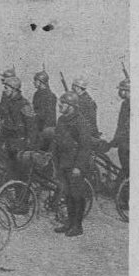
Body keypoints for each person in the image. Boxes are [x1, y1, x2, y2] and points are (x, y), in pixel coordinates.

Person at [51, 91, 91, 237]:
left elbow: (85, 147)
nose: (59, 106)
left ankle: (77, 226)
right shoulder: (62, 120)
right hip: (63, 163)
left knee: (77, 195)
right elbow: (56, 140)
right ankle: (69, 222)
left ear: (72, 106)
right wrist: (52, 157)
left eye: (63, 104)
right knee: (67, 194)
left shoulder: (81, 122)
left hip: (75, 166)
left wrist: (78, 167)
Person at [0, 77, 37, 180]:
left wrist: (29, 147)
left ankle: (22, 194)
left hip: (20, 145)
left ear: (14, 89)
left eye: (6, 88)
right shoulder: (8, 102)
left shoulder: (24, 104)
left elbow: (32, 128)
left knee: (21, 175)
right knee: (11, 171)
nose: (4, 90)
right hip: (10, 143)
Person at [109, 78, 130, 181]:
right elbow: (120, 124)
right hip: (124, 141)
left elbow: (125, 126)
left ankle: (119, 188)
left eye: (124, 90)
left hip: (128, 142)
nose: (121, 92)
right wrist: (115, 140)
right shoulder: (125, 103)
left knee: (127, 168)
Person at [32, 70, 57, 134]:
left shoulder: (50, 95)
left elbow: (48, 115)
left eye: (36, 80)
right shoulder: (37, 94)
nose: (34, 82)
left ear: (41, 82)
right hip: (38, 126)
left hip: (47, 128)